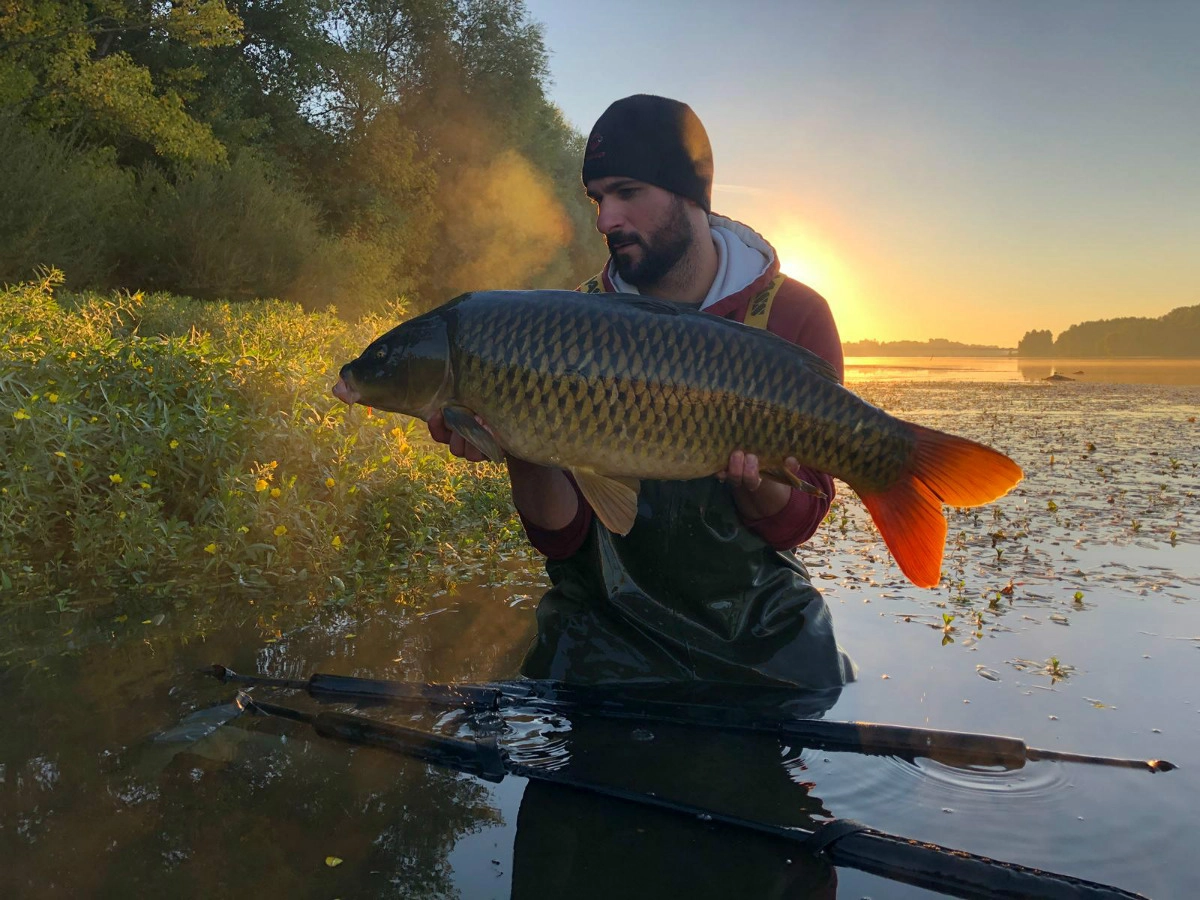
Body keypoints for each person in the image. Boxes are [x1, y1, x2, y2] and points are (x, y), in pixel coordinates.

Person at [428, 94, 855, 689]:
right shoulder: (569, 322)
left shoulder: (792, 315)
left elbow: (796, 525)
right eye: (598, 199)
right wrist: (520, 440)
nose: (605, 220)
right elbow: (562, 535)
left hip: (754, 632)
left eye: (627, 192)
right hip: (603, 631)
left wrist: (756, 487)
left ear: (689, 195)